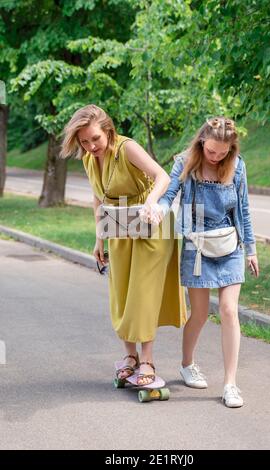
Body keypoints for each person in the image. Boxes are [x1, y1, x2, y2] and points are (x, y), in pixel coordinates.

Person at [60, 104, 186, 386]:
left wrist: (152, 202)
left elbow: (163, 177)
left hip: (149, 226)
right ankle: (130, 358)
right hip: (118, 228)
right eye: (84, 141)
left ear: (108, 130)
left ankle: (148, 360)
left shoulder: (127, 148)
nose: (91, 145)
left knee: (142, 294)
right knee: (121, 294)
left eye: (95, 138)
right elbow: (98, 198)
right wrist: (98, 238)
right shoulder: (89, 159)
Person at [155, 116, 259, 407]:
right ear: (202, 142)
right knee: (199, 315)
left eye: (221, 153)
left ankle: (230, 384)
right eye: (211, 151)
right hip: (196, 247)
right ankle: (187, 363)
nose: (215, 157)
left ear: (231, 149)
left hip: (229, 246)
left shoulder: (237, 166)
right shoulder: (184, 162)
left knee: (228, 310)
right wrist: (156, 211)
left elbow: (244, 209)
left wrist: (250, 249)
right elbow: (168, 196)